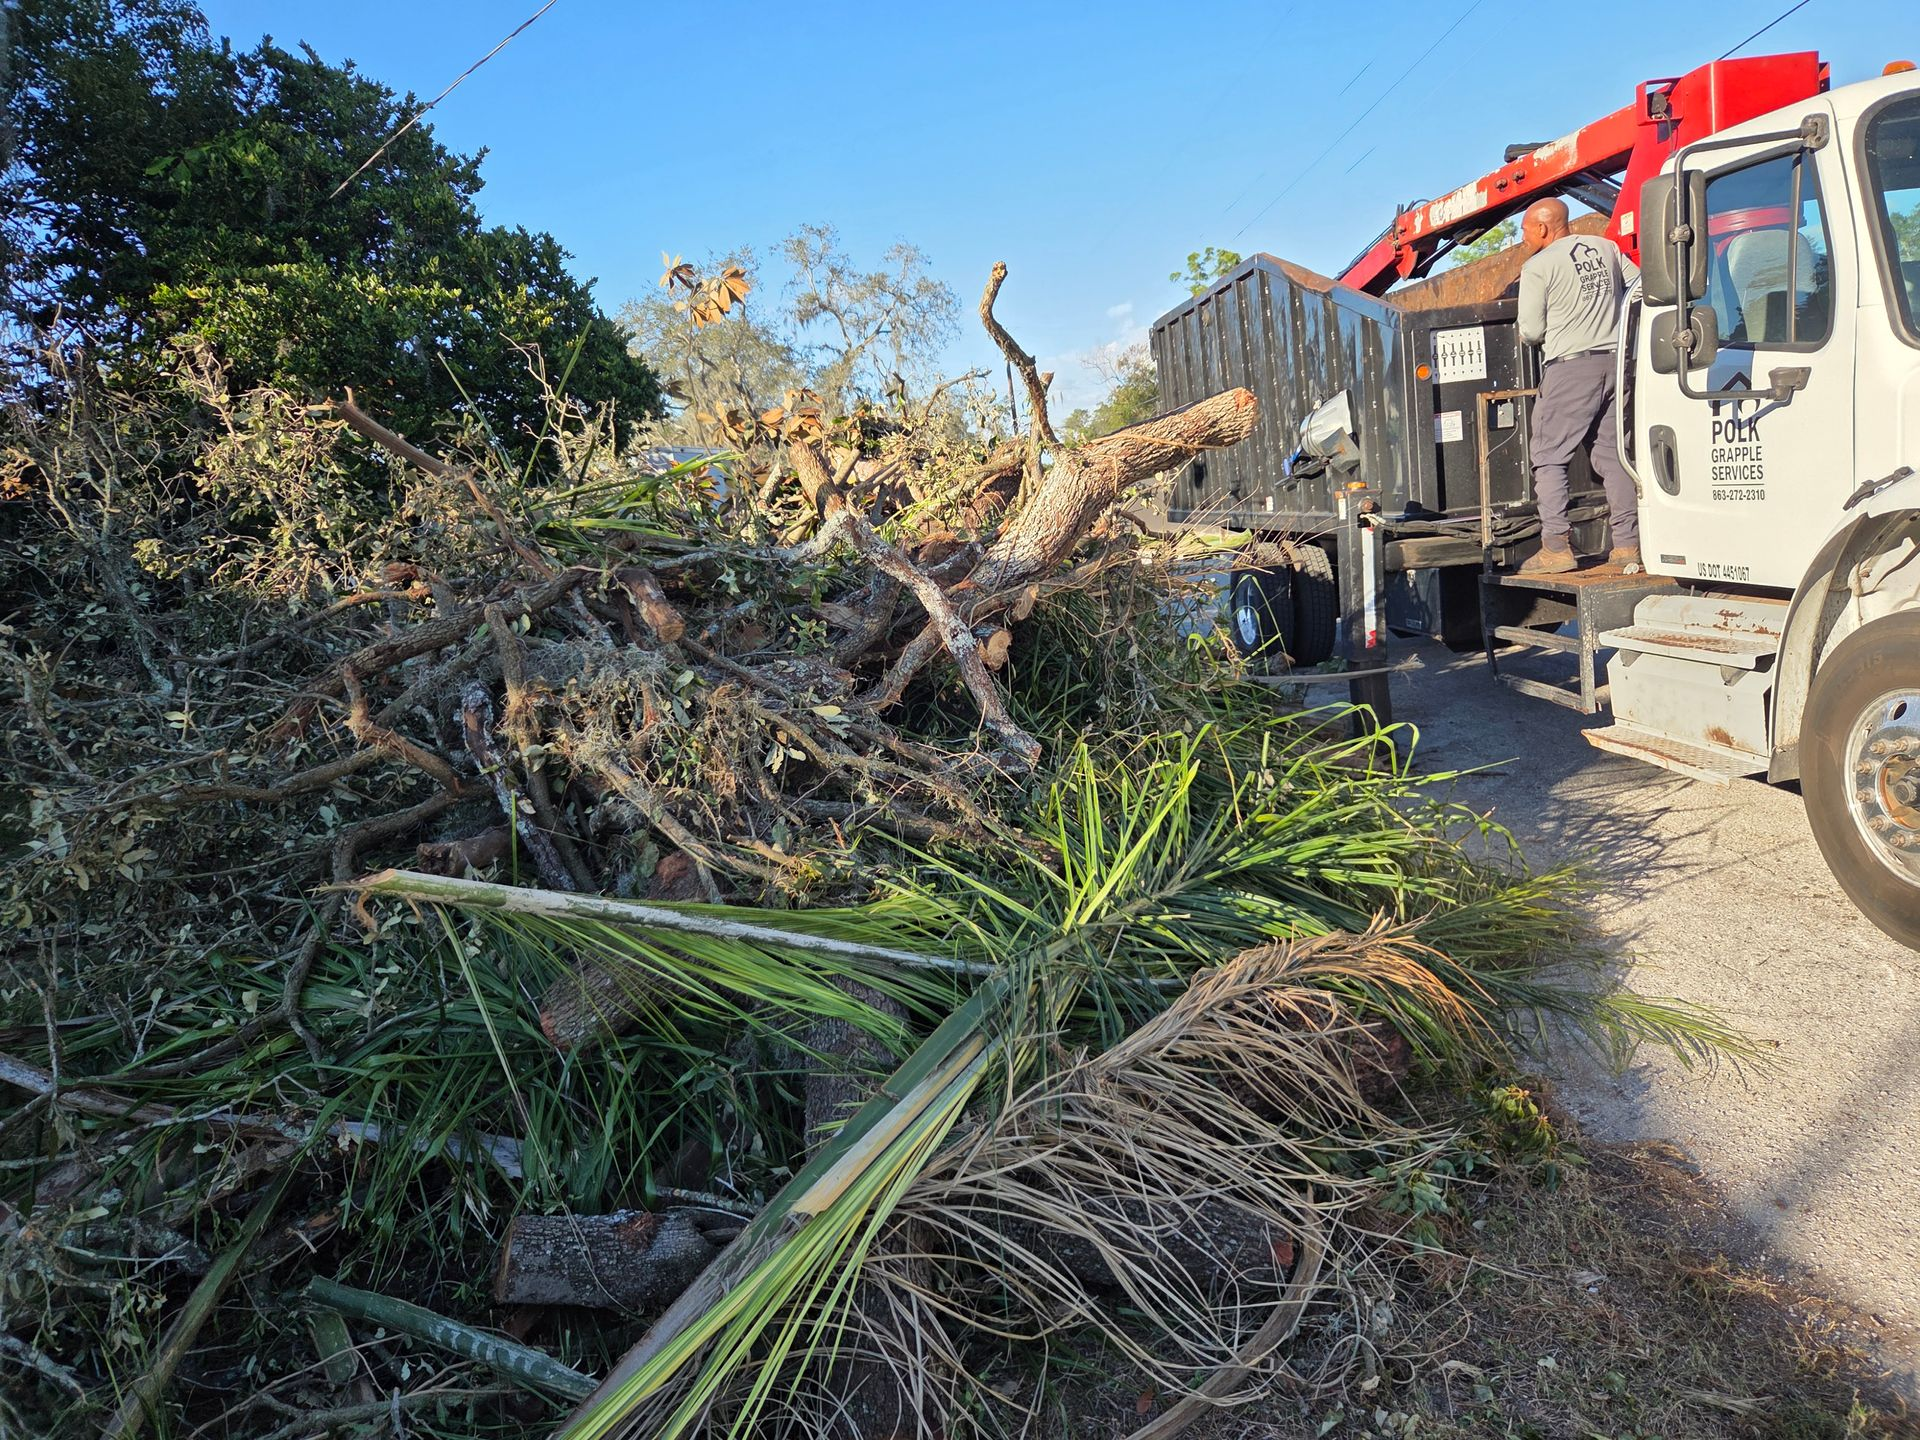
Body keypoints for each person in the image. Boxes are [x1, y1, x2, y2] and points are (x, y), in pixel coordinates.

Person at [1514, 198, 1641, 575]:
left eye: (1524, 230)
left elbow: (1531, 330)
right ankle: (1627, 545)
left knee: (1549, 456)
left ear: (1542, 228)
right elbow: (1640, 288)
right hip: (1616, 364)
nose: (1523, 238)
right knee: (1614, 455)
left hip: (1570, 368)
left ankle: (1555, 546)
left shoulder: (1538, 266)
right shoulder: (1607, 248)